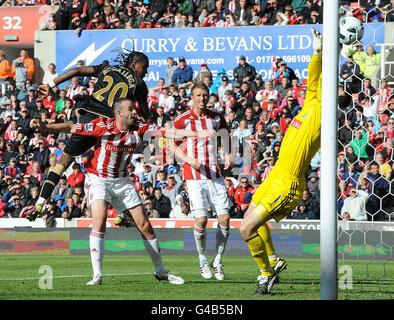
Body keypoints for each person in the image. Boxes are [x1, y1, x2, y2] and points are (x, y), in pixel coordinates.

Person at [33, 98, 209, 285]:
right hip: (98, 179)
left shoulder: (141, 128)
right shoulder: (102, 126)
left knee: (145, 225)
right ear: (119, 113)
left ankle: (161, 271)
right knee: (99, 221)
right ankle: (97, 275)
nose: (135, 112)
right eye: (131, 109)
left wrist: (195, 132)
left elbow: (167, 132)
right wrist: (47, 127)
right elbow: (71, 127)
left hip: (123, 181)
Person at [239, 29, 323, 294]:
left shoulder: (325, 116)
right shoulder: (310, 103)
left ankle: (266, 274)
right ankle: (273, 260)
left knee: (245, 229)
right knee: (249, 216)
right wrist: (318, 52)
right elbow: (314, 76)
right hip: (274, 176)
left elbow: (321, 79)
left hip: (288, 183)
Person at [28, 50, 153, 221]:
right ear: (134, 64)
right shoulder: (139, 84)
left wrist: (50, 85)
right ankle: (122, 212)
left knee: (62, 163)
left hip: (89, 121)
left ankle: (40, 202)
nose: (145, 72)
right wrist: (145, 113)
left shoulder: (107, 68)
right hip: (108, 128)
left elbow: (76, 71)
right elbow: (146, 113)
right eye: (144, 67)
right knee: (116, 167)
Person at [173, 82, 232, 281]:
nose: (202, 98)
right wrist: (189, 160)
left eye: (205, 95)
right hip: (194, 176)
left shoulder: (216, 117)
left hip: (215, 175)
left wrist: (228, 153)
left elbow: (226, 136)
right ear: (192, 97)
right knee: (202, 220)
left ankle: (218, 260)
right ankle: (202, 259)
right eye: (198, 95)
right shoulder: (183, 120)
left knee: (224, 219)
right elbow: (169, 143)